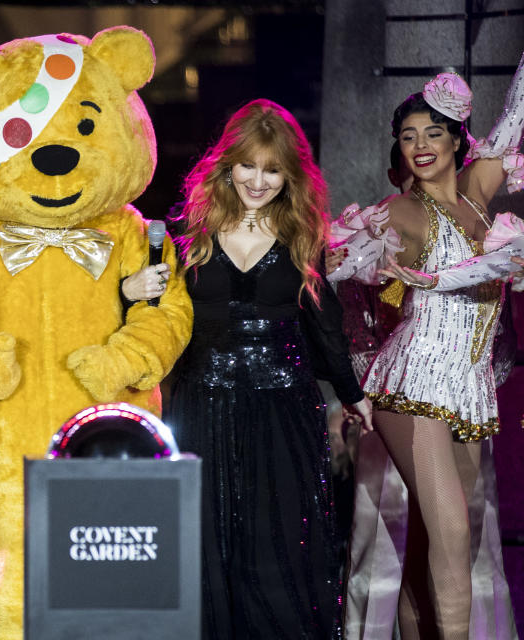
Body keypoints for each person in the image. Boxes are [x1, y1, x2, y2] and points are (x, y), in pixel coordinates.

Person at [131, 98, 371, 639]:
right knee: (204, 542)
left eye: (272, 169)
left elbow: (324, 325)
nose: (258, 180)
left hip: (283, 412)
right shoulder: (183, 234)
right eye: (248, 165)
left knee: (279, 541)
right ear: (227, 164)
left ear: (291, 175)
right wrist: (132, 292)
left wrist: (353, 393)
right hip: (200, 408)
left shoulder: (304, 235)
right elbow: (154, 320)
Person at [328, 60, 524, 639]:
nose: (419, 146)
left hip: (465, 388)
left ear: (458, 139)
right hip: (410, 382)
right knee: (454, 534)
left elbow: (515, 118)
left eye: (432, 133)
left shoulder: (476, 198)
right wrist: (354, 260)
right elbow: (349, 265)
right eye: (408, 136)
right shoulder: (401, 212)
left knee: (437, 538)